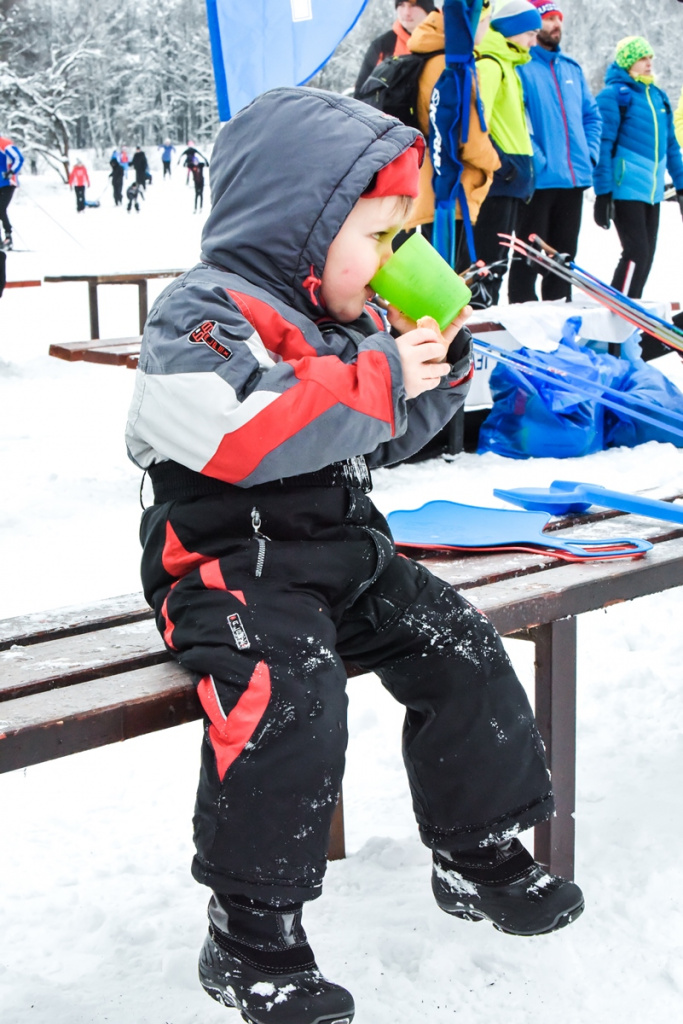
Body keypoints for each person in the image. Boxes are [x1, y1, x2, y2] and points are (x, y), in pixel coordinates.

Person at [124, 86, 584, 1024]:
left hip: (338, 549)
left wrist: (437, 375)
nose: (391, 262)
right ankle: (250, 935)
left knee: (458, 644)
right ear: (302, 225)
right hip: (223, 563)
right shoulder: (203, 312)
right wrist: (376, 373)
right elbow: (234, 433)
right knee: (287, 693)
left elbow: (374, 437)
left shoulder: (347, 320)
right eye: (377, 238)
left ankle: (475, 848)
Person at [508, 1, 601, 303]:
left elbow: (592, 116)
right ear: (534, 27)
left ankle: (561, 328)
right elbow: (517, 119)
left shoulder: (571, 68)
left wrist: (589, 155)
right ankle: (522, 325)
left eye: (558, 18)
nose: (555, 25)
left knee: (564, 262)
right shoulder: (520, 67)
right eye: (548, 19)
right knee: (529, 260)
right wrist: (537, 161)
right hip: (538, 182)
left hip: (573, 182)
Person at [403, 0, 499, 261]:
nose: (486, 30)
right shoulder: (452, 67)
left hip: (422, 186)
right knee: (448, 283)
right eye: (485, 23)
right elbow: (466, 136)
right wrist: (495, 163)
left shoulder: (425, 54)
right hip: (449, 193)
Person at [593, 37, 683, 298]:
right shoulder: (614, 96)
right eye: (643, 58)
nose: (648, 63)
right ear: (628, 62)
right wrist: (603, 192)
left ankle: (631, 308)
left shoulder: (658, 97)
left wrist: (681, 186)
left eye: (650, 58)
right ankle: (617, 310)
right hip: (625, 189)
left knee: (646, 257)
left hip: (652, 192)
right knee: (636, 253)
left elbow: (672, 147)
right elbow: (603, 146)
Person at [471, 0, 542, 304]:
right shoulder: (492, 65)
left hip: (512, 180)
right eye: (530, 32)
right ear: (513, 30)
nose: (533, 40)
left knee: (500, 260)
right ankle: (476, 318)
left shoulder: (510, 66)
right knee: (490, 260)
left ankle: (486, 312)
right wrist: (501, 166)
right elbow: (478, 121)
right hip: (499, 180)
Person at [353, 0, 436, 99]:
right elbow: (361, 94)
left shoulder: (448, 41)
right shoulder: (383, 46)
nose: (406, 12)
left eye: (413, 5)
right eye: (401, 5)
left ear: (428, 8)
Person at [0, 134, 24, 249]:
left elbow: (19, 158)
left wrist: (11, 172)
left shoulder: (4, 143)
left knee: (0, 209)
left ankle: (8, 237)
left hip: (7, 183)